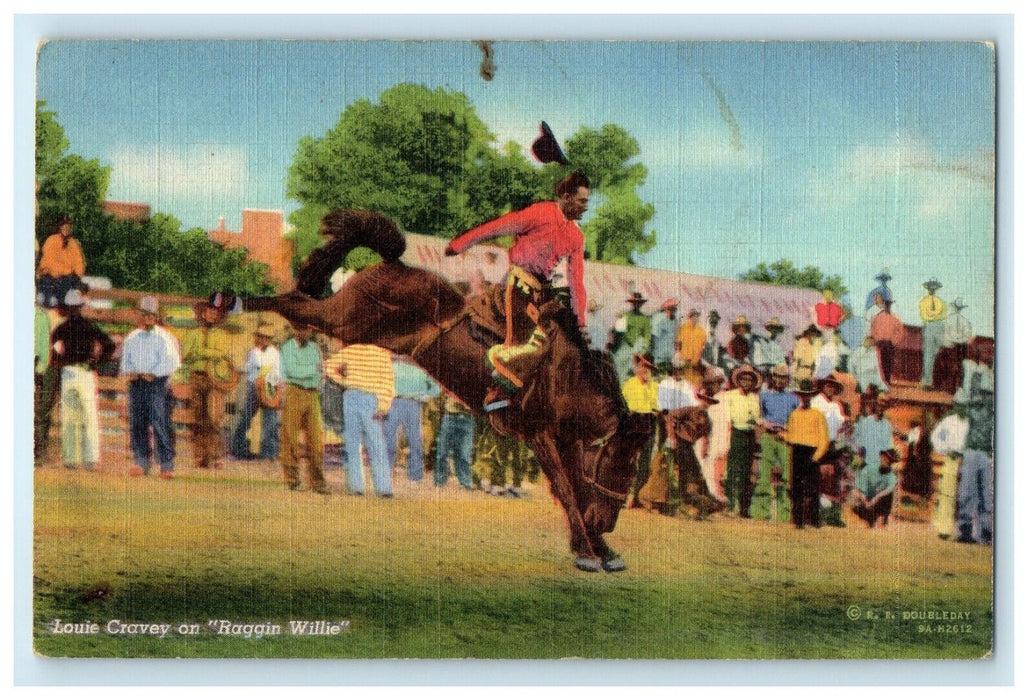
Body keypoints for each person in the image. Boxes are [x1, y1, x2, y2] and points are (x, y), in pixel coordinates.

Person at [444, 171, 591, 394]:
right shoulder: (542, 212)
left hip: (540, 291)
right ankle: (496, 390)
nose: (585, 207)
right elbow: (499, 226)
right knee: (522, 344)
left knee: (553, 339)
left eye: (586, 202)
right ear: (566, 196)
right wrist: (460, 244)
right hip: (516, 281)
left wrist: (580, 321)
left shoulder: (577, 236)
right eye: (582, 201)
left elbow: (576, 281)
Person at [50, 288, 115, 471]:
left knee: (73, 417)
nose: (73, 310)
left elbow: (53, 346)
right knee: (86, 416)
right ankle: (88, 459)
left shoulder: (63, 328)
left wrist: (59, 361)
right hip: (83, 372)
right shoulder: (89, 326)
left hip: (71, 372)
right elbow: (108, 345)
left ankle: (74, 459)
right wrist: (97, 362)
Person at [119, 296, 181, 478]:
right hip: (137, 382)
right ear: (139, 315)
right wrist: (131, 372)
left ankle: (166, 464)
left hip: (157, 384)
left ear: (156, 317)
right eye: (144, 315)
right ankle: (141, 461)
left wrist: (154, 373)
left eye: (151, 315)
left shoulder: (164, 337)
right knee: (137, 422)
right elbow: (126, 361)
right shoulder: (132, 337)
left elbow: (171, 361)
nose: (148, 319)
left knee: (159, 422)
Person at [326, 343, 395, 497]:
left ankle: (366, 487)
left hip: (360, 396)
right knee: (365, 443)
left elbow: (330, 367)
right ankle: (374, 488)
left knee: (364, 444)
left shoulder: (358, 350)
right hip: (362, 396)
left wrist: (344, 381)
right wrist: (383, 405)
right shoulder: (378, 351)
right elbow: (388, 381)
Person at [278, 322, 330, 494]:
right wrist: (314, 370)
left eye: (308, 329)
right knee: (290, 438)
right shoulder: (287, 347)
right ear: (295, 329)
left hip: (312, 394)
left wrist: (315, 371)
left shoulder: (314, 348)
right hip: (294, 391)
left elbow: (320, 373)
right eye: (302, 329)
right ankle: (292, 479)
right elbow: (292, 371)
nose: (306, 332)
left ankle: (317, 481)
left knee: (315, 440)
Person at [383, 355, 441, 482]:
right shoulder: (419, 368)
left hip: (399, 403)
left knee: (394, 438)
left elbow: (436, 388)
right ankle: (413, 475)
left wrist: (425, 396)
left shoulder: (394, 366)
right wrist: (425, 396)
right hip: (406, 403)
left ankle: (390, 472)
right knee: (411, 439)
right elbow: (436, 388)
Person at [752, 364, 797, 522]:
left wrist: (787, 429)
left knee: (786, 475)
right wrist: (764, 423)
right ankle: (760, 512)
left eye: (783, 377)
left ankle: (784, 515)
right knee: (764, 474)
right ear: (772, 377)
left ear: (788, 379)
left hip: (785, 438)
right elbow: (759, 416)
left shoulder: (793, 398)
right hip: (769, 436)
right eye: (777, 376)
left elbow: (796, 419)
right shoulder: (764, 395)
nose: (780, 380)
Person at [231, 322, 282, 461]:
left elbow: (276, 371)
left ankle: (270, 453)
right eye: (261, 337)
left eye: (267, 337)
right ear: (258, 337)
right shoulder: (253, 352)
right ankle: (239, 449)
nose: (264, 340)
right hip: (254, 386)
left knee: (270, 420)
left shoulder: (274, 353)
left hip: (269, 385)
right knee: (245, 417)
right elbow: (248, 368)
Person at [783, 380, 830, 529]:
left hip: (812, 452)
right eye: (803, 396)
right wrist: (781, 435)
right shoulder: (794, 414)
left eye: (808, 396)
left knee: (812, 488)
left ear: (812, 397)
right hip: (797, 451)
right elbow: (791, 435)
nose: (805, 399)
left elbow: (824, 439)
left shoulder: (818, 414)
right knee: (796, 487)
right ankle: (798, 521)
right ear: (799, 397)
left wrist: (816, 456)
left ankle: (814, 520)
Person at [720, 364, 761, 518]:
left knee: (746, 471)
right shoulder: (730, 395)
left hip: (749, 434)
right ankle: (730, 505)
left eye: (749, 379)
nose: (746, 382)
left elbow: (756, 419)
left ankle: (744, 508)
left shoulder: (755, 398)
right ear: (738, 380)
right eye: (743, 378)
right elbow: (726, 417)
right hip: (735, 433)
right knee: (732, 470)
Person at [956, 391, 994, 545]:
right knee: (967, 492)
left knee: (986, 494)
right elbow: (961, 405)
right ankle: (965, 530)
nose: (985, 398)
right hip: (972, 451)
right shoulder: (972, 409)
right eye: (984, 395)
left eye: (988, 395)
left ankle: (985, 531)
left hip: (986, 453)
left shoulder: (994, 413)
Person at [622, 352, 660, 509]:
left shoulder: (654, 387)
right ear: (638, 366)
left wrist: (649, 386)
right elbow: (623, 407)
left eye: (649, 368)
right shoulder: (629, 384)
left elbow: (656, 409)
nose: (646, 370)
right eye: (644, 366)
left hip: (649, 422)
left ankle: (636, 496)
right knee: (628, 461)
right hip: (633, 421)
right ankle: (623, 495)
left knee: (644, 462)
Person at [930, 406, 969, 540]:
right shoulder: (948, 422)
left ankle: (964, 532)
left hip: (967, 459)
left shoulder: (971, 423)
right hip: (952, 458)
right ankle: (944, 528)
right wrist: (945, 450)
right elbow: (937, 437)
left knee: (966, 497)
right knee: (947, 494)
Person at [36, 215, 86, 308]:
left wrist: (76, 275)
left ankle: (65, 310)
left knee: (72, 288)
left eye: (68, 226)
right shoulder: (51, 240)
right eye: (63, 226)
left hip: (66, 278)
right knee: (48, 296)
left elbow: (79, 263)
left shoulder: (73, 243)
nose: (66, 228)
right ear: (59, 227)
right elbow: (49, 262)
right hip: (49, 276)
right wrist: (65, 272)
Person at [849, 448, 899, 528]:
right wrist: (865, 500)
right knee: (854, 496)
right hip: (866, 501)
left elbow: (888, 490)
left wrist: (875, 498)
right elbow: (857, 488)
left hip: (878, 504)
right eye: (885, 457)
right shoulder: (869, 469)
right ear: (881, 456)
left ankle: (881, 520)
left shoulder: (892, 477)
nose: (886, 461)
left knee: (888, 494)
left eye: (890, 460)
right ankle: (870, 520)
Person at [434, 395, 476, 490]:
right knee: (442, 452)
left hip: (468, 418)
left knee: (464, 454)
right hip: (450, 416)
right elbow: (439, 396)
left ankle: (465, 483)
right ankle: (439, 482)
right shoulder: (452, 381)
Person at [612, 292, 652, 381]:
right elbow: (617, 333)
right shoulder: (625, 316)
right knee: (620, 369)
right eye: (634, 303)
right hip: (625, 347)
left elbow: (646, 337)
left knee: (636, 374)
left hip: (637, 349)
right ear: (632, 304)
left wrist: (642, 351)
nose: (636, 305)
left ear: (641, 304)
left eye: (638, 303)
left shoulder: (645, 319)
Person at [852, 394, 895, 471]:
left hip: (879, 463)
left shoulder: (887, 424)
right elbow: (855, 440)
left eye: (884, 406)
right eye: (880, 405)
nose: (881, 408)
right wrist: (860, 453)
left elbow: (888, 445)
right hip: (865, 460)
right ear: (875, 405)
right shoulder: (865, 421)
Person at [918, 278, 948, 388]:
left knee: (937, 353)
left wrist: (935, 316)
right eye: (930, 287)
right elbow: (924, 315)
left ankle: (934, 381)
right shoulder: (923, 301)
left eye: (934, 287)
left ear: (936, 289)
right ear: (927, 288)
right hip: (929, 326)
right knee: (928, 355)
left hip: (939, 326)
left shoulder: (941, 302)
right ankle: (927, 381)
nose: (932, 289)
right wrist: (933, 316)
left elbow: (943, 315)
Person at [940, 297, 973, 393]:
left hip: (951, 347)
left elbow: (945, 335)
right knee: (956, 367)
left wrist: (953, 341)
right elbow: (967, 336)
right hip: (958, 347)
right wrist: (958, 341)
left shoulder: (947, 320)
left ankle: (948, 387)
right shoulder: (965, 321)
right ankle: (952, 387)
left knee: (949, 367)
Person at [869, 301, 905, 387]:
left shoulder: (895, 318)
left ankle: (887, 380)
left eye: (889, 305)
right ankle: (879, 381)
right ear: (884, 305)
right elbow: (873, 329)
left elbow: (900, 331)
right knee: (878, 362)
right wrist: (875, 340)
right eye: (886, 305)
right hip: (879, 343)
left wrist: (894, 341)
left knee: (888, 363)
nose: (887, 306)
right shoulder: (878, 317)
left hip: (889, 343)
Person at [675, 307, 707, 385]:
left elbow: (704, 348)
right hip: (684, 362)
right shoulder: (683, 328)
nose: (694, 318)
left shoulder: (701, 331)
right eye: (692, 316)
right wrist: (679, 356)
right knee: (683, 383)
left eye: (696, 316)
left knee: (696, 383)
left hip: (696, 364)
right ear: (689, 317)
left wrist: (698, 360)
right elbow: (678, 344)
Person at [650, 298, 679, 373]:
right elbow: (653, 338)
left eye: (674, 309)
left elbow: (675, 338)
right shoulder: (659, 320)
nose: (673, 310)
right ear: (666, 309)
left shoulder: (675, 321)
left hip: (670, 359)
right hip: (659, 358)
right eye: (670, 309)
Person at [791, 324, 823, 388]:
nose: (813, 335)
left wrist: (813, 374)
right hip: (801, 370)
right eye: (812, 333)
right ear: (808, 333)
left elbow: (815, 362)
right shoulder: (802, 342)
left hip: (810, 372)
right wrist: (795, 371)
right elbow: (797, 359)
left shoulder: (815, 345)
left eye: (815, 334)